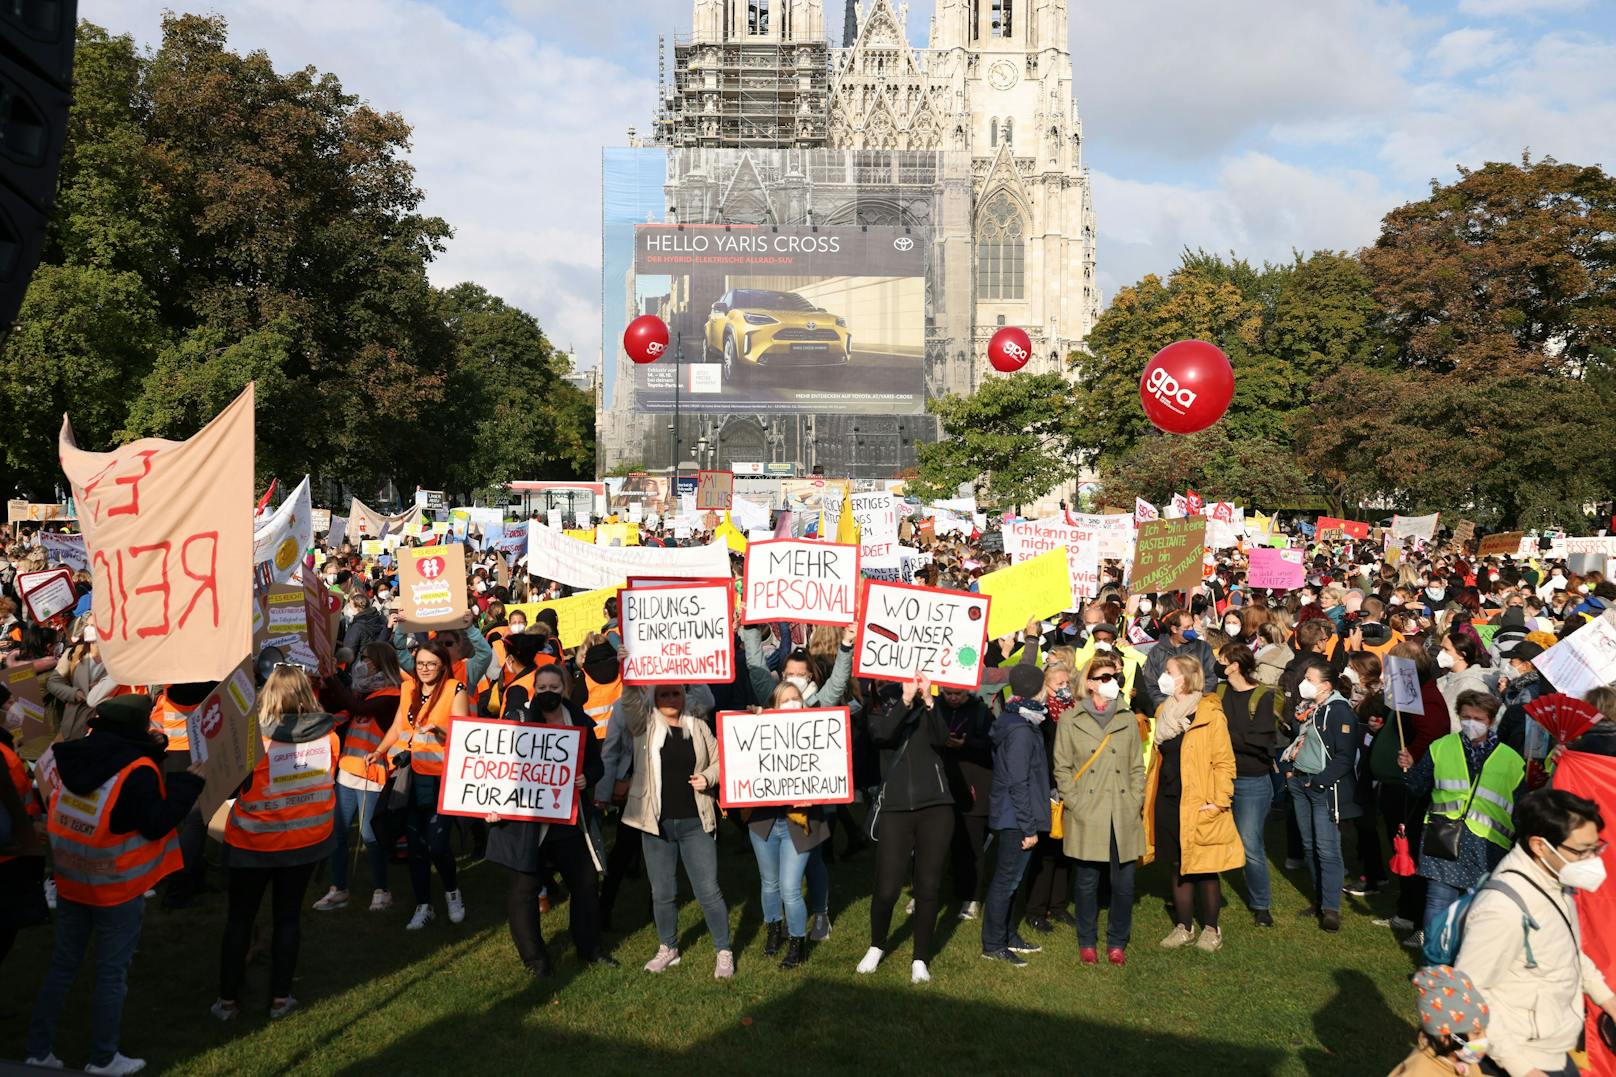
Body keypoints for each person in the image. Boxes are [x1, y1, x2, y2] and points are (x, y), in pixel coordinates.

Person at [27, 695, 203, 1075]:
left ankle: (38, 1051)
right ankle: (103, 1058)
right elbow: (154, 822)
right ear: (136, 729)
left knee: (62, 966)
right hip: (116, 889)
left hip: (72, 880)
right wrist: (188, 786)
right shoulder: (136, 768)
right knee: (111, 974)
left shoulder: (71, 755)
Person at [1457, 788, 1616, 1077]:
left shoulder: (1557, 880)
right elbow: (1471, 992)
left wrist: (1608, 999)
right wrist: (1522, 1068)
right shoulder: (1502, 908)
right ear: (1540, 846)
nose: (1592, 859)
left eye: (1596, 847)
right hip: (1517, 1060)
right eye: (1582, 851)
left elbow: (1567, 952)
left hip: (1553, 1054)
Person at [212, 666, 339, 1022]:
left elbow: (230, 788)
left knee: (240, 920)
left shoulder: (253, 739)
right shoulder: (328, 737)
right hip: (305, 844)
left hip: (252, 844)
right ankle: (281, 999)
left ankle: (227, 1002)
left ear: (268, 694)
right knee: (288, 920)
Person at [485, 658, 617, 975]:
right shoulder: (517, 723)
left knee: (585, 886)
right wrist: (491, 804)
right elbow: (495, 769)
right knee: (523, 892)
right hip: (528, 826)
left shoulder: (581, 722)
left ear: (565, 689)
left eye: (554, 687)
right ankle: (535, 959)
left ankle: (589, 947)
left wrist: (587, 776)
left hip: (569, 821)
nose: (548, 692)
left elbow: (597, 764)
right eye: (542, 687)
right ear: (534, 690)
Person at [619, 680, 733, 978]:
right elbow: (630, 703)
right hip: (657, 825)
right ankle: (668, 947)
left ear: (685, 695)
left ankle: (724, 950)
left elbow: (722, 761)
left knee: (709, 890)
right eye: (663, 694)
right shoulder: (645, 726)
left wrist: (709, 777)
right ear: (654, 697)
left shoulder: (698, 726)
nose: (670, 699)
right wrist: (628, 674)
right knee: (663, 892)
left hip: (697, 822)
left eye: (675, 693)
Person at [1401, 690, 1522, 947]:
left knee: (1475, 906)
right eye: (1465, 716)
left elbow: (1521, 805)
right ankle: (1433, 961)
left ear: (1490, 720)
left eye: (1477, 718)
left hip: (1487, 843)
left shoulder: (1512, 760)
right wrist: (1409, 767)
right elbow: (1416, 787)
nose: (1470, 722)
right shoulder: (1441, 747)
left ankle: (1462, 957)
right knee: (1437, 900)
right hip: (1442, 834)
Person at [368, 638, 473, 930]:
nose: (425, 669)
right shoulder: (407, 689)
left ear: (443, 666)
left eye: (432, 664)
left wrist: (441, 732)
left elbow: (465, 734)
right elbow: (398, 725)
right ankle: (423, 905)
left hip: (440, 778)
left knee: (438, 844)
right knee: (415, 845)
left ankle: (452, 892)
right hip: (409, 778)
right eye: (421, 663)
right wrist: (379, 750)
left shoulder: (455, 690)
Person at [859, 673, 956, 984]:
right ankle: (877, 945)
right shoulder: (878, 706)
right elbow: (882, 735)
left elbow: (942, 739)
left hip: (936, 807)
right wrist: (903, 701)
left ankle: (920, 958)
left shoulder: (933, 705)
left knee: (928, 887)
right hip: (895, 809)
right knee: (887, 887)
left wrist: (928, 700)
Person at [1144, 655, 1242, 952]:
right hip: (1168, 799)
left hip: (1199, 801)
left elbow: (1224, 761)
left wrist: (1219, 800)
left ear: (1184, 678)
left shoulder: (1208, 712)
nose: (1163, 675)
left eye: (1169, 671)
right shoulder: (1164, 710)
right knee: (1177, 864)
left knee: (1204, 867)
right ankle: (1184, 926)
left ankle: (1211, 928)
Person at [1054, 651, 1145, 965]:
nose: (1111, 683)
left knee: (1124, 885)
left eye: (1114, 678)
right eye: (1104, 678)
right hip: (1087, 811)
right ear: (1089, 683)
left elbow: (1136, 766)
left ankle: (1117, 941)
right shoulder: (1071, 719)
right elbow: (1062, 768)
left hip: (1122, 811)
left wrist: (1135, 800)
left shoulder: (1127, 718)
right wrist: (1076, 803)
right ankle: (1087, 940)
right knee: (1087, 882)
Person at [744, 680, 834, 970]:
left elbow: (830, 774)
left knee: (790, 887)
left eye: (796, 698)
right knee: (769, 883)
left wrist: (815, 795)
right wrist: (748, 723)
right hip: (764, 821)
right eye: (785, 699)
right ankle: (774, 931)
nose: (792, 703)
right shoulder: (760, 728)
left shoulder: (815, 732)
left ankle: (798, 943)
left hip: (799, 819)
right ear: (774, 706)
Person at [313, 642, 401, 912]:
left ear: (380, 662)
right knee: (338, 833)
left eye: (366, 659)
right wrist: (322, 683)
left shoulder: (391, 695)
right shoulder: (363, 692)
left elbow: (359, 710)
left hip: (372, 775)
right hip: (347, 772)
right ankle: (339, 888)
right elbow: (341, 704)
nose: (362, 664)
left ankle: (382, 889)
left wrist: (331, 676)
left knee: (370, 835)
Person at [1283, 659, 1362, 932]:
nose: (1304, 683)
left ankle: (1331, 908)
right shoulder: (1310, 709)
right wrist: (1293, 772)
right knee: (1309, 845)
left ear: (1326, 686)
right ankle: (1319, 899)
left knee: (1326, 848)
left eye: (1310, 679)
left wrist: (1319, 783)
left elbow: (1344, 757)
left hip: (1323, 788)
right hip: (1302, 781)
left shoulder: (1339, 712)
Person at [980, 662, 1050, 966]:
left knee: (1013, 879)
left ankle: (1007, 934)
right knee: (1006, 880)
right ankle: (993, 943)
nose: (1049, 691)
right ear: (1034, 690)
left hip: (1016, 814)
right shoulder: (1021, 731)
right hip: (1015, 817)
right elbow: (1018, 781)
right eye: (1045, 686)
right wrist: (1028, 825)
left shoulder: (1021, 721)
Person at [1215, 644, 1278, 927]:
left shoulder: (1263, 695)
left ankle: (1261, 904)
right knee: (1213, 837)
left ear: (1235, 665)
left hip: (1252, 779)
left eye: (1222, 661)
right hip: (1220, 776)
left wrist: (1223, 737)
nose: (1217, 665)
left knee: (1250, 842)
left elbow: (1260, 741)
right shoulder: (1218, 692)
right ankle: (1209, 893)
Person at [1384, 965, 1492, 1077]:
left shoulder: (1457, 1056)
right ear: (1444, 1038)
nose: (1484, 1038)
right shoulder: (1419, 1073)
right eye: (1476, 1033)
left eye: (1484, 1030)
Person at [1140, 609, 1219, 711]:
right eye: (1187, 627)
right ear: (1174, 629)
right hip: (1168, 711)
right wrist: (1167, 706)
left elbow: (1211, 678)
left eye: (1192, 625)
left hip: (1196, 708)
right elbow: (1151, 685)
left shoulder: (1203, 648)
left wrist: (1193, 703)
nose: (1191, 630)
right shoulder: (1157, 652)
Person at [1437, 632, 1494, 722]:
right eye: (1441, 648)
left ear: (1462, 655)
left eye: (1446, 649)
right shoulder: (1446, 677)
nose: (1441, 653)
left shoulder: (1471, 684)